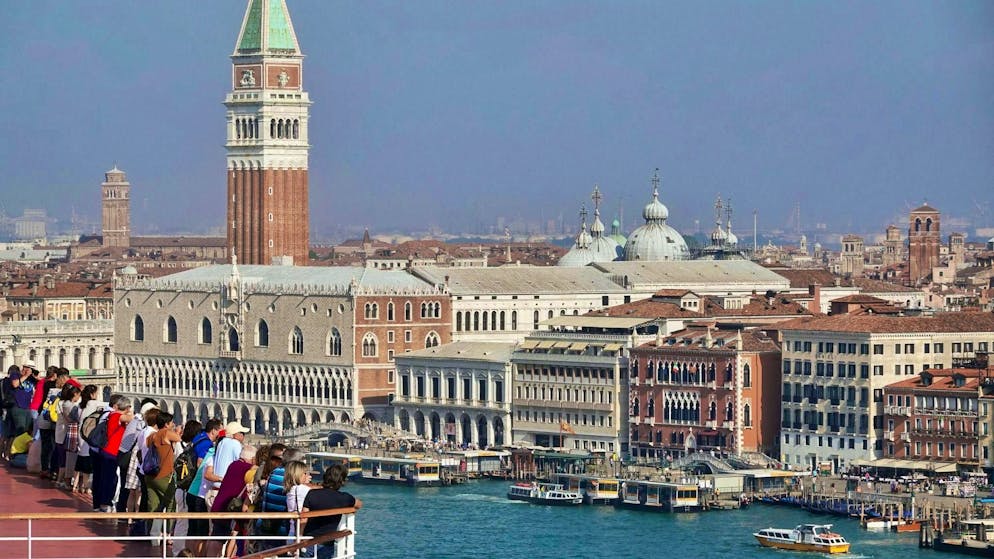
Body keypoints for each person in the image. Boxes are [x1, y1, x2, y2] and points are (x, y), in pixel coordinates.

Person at [300, 464, 362, 559]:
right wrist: (349, 510)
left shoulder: (311, 494)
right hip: (327, 543)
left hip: (308, 542)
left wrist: (300, 536)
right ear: (342, 481)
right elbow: (359, 504)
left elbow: (303, 517)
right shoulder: (344, 498)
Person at [207, 445, 257, 558]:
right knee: (221, 539)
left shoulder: (233, 464)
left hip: (220, 504)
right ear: (252, 458)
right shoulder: (248, 468)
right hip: (229, 508)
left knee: (217, 537)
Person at [93, 396, 135, 513]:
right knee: (109, 479)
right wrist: (129, 411)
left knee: (106, 477)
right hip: (110, 452)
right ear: (126, 408)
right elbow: (130, 418)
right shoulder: (115, 415)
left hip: (107, 451)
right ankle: (104, 503)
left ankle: (100, 503)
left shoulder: (113, 415)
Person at [73, 385, 102, 494]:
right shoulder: (94, 403)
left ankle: (78, 486)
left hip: (81, 433)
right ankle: (86, 487)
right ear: (92, 394)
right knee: (88, 463)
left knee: (81, 459)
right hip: (89, 434)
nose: (97, 395)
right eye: (96, 393)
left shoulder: (81, 405)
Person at [54, 380, 82, 488]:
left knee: (62, 459)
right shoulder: (68, 405)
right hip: (66, 433)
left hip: (60, 433)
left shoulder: (60, 403)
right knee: (66, 459)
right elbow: (73, 419)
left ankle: (60, 480)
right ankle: (63, 480)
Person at [283, 460, 312, 542]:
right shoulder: (301, 489)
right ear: (298, 475)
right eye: (305, 473)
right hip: (299, 534)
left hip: (292, 532)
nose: (307, 476)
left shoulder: (291, 489)